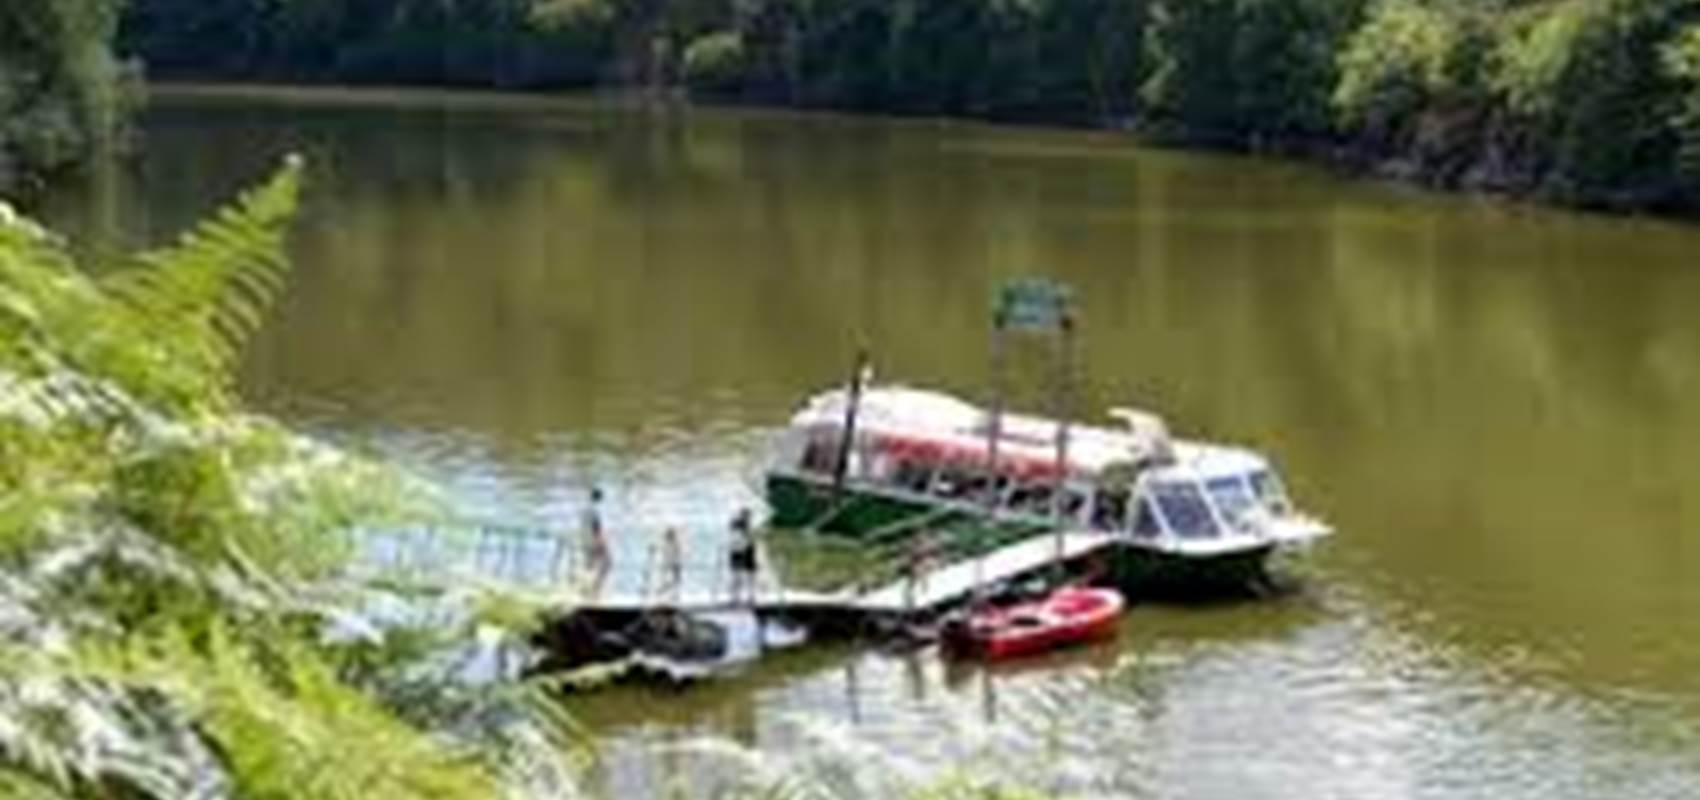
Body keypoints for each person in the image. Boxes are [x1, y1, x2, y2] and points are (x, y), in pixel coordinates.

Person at [581, 488, 610, 596]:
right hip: (595, 541)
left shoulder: (584, 509)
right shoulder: (596, 510)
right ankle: (596, 589)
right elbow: (597, 527)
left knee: (589, 565)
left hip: (585, 541)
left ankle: (585, 589)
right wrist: (602, 541)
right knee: (607, 563)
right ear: (600, 498)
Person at [727, 508, 758, 604]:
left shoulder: (743, 526)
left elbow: (750, 539)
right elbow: (748, 538)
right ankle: (737, 596)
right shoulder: (739, 526)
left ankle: (743, 596)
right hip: (740, 550)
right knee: (739, 575)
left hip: (744, 550)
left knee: (745, 574)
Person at [657, 525, 684, 605]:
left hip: (674, 563)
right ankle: (665, 592)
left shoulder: (674, 544)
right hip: (669, 563)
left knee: (675, 580)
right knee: (670, 580)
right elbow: (665, 554)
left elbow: (677, 553)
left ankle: (673, 594)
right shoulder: (667, 544)